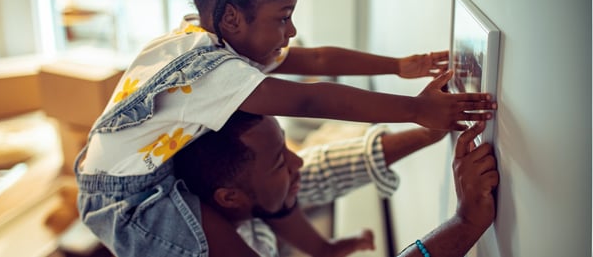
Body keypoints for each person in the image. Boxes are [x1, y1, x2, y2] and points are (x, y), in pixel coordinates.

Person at [74, 0, 497, 257]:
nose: (290, 31)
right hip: (126, 200)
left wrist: (398, 65)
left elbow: (314, 62)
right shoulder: (212, 73)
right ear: (235, 18)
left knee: (273, 183)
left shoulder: (213, 38)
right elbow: (311, 99)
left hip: (136, 169)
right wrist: (418, 109)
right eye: (283, 17)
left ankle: (323, 250)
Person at [173, 111, 498, 257]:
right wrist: (465, 223)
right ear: (229, 197)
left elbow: (320, 169)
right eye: (278, 161)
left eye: (287, 147)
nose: (297, 160)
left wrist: (429, 133)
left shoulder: (234, 196)